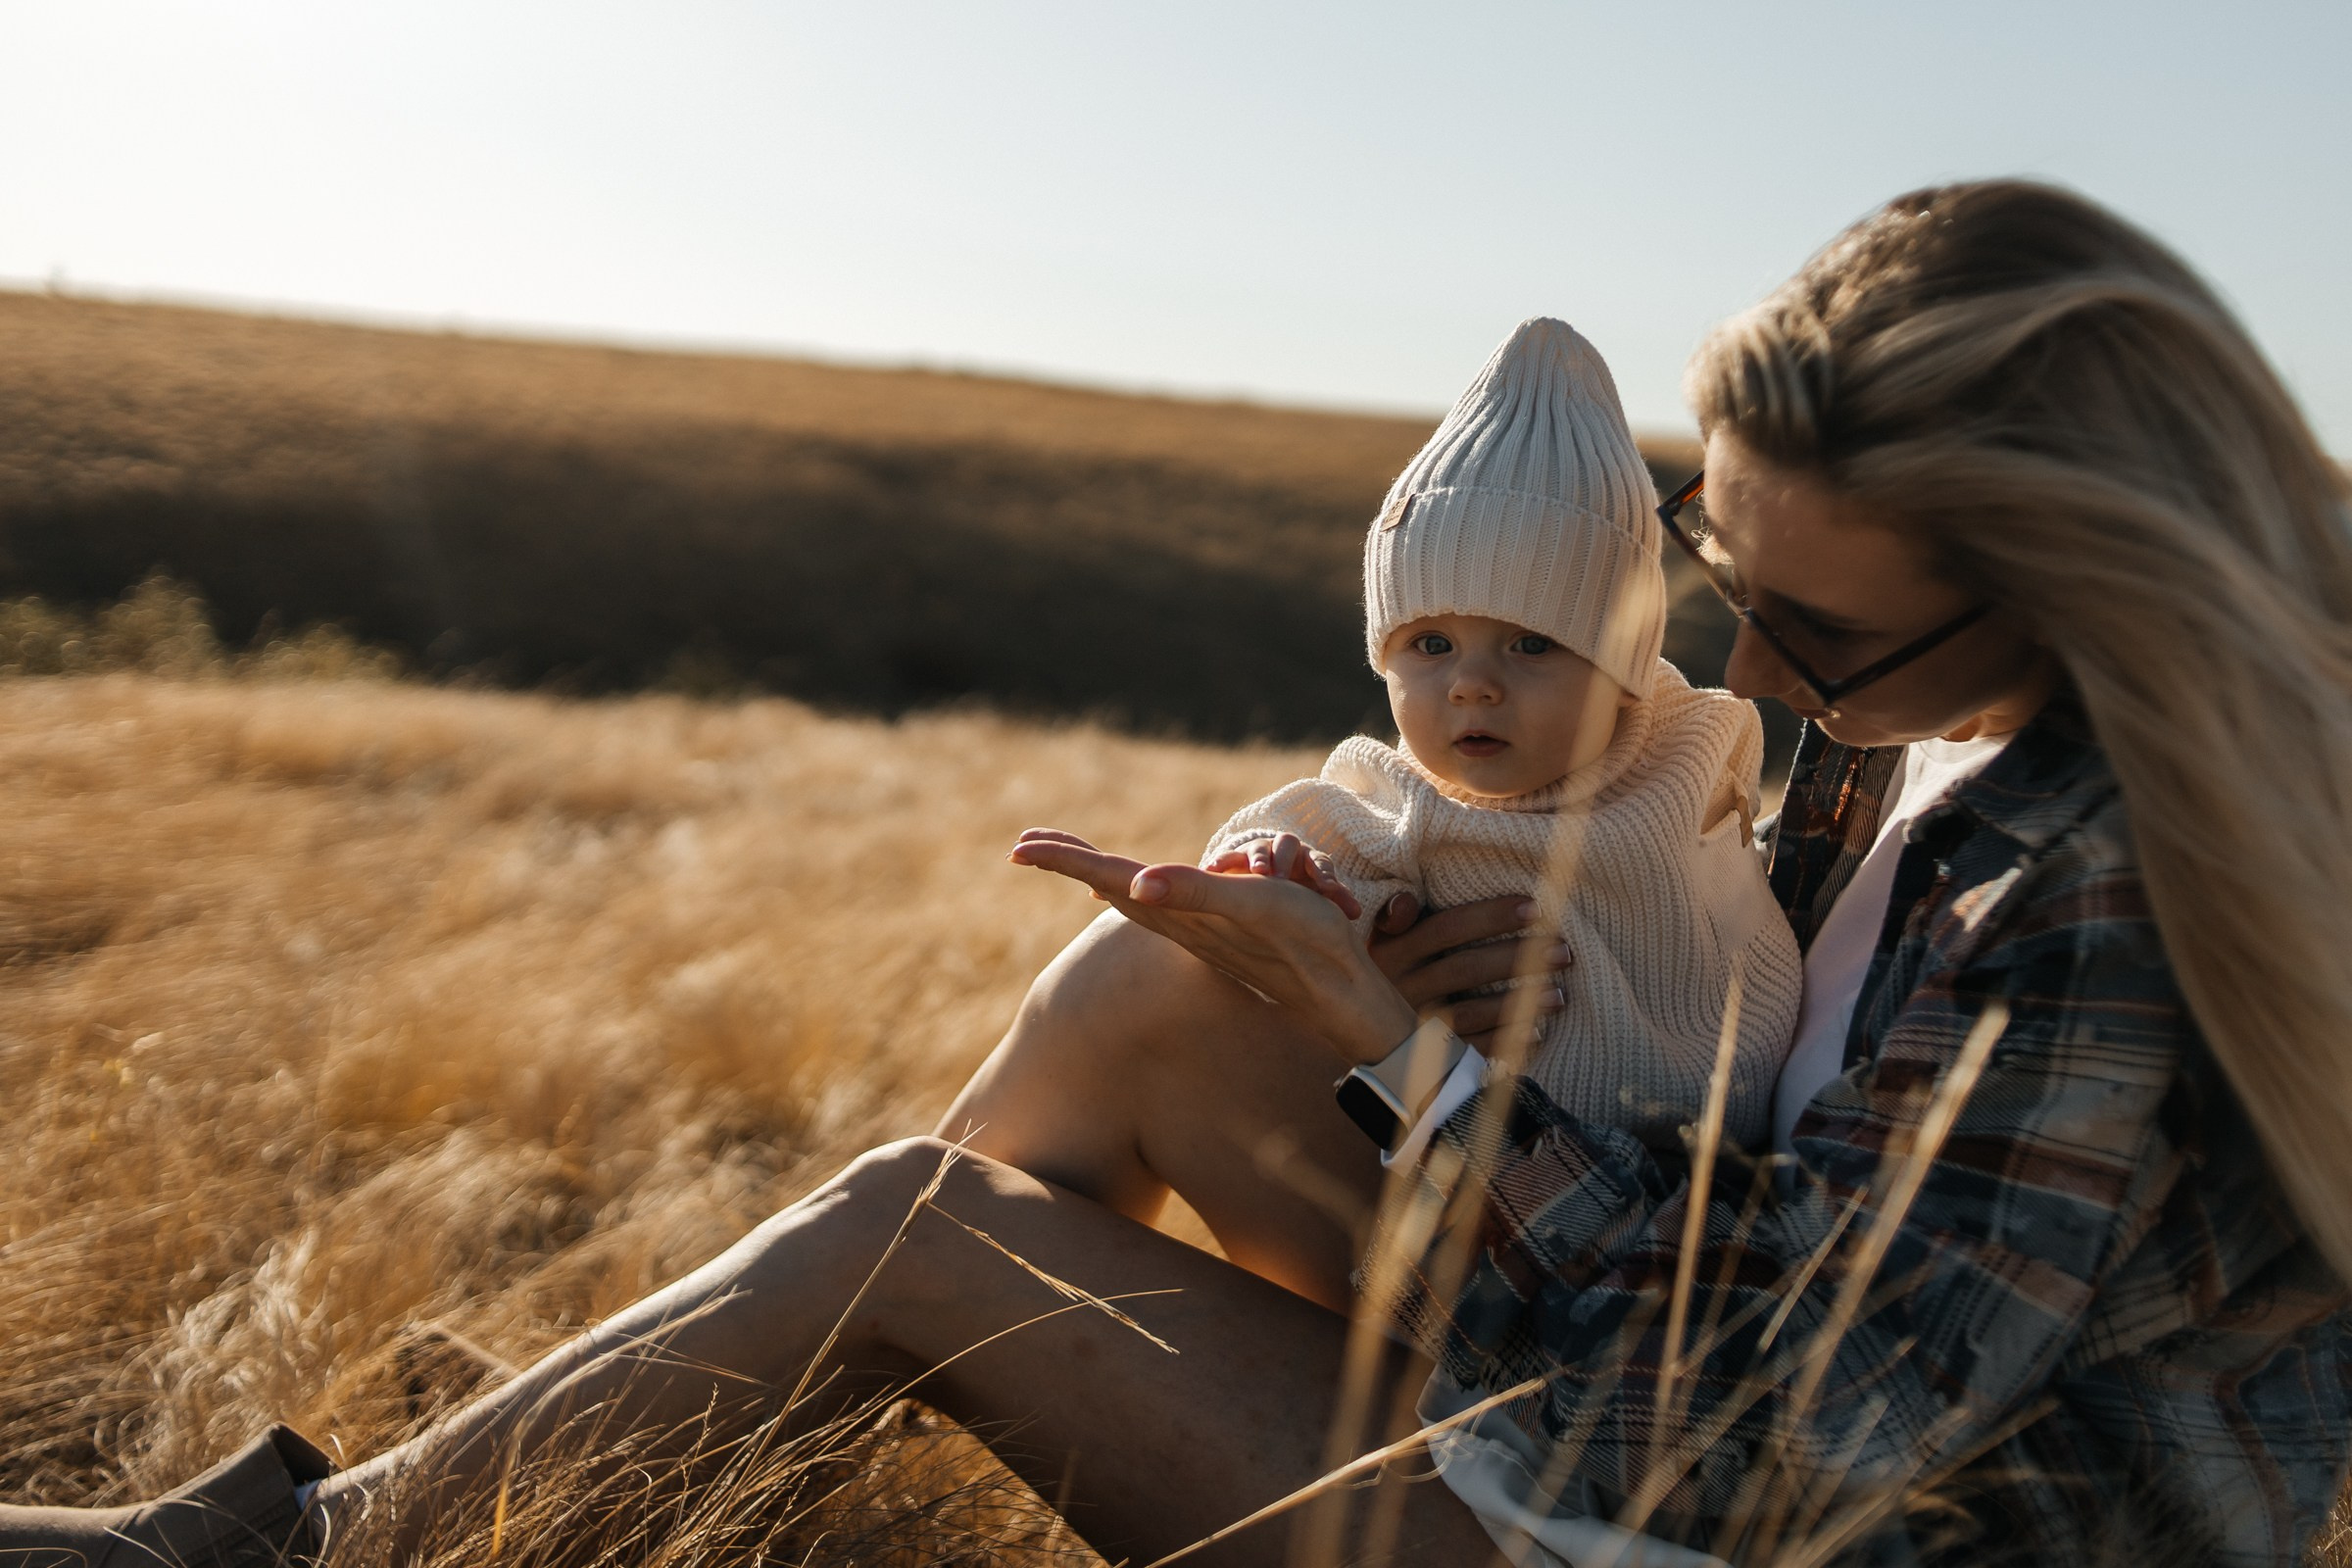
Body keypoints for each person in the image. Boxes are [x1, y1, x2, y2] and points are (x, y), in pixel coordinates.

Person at [7, 179, 2349, 1568]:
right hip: (1640, 1430)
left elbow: (1781, 1436)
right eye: (1720, 572)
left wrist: (1416, 1077)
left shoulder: (2104, 881)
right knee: (1159, 997)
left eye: (1816, 622)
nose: (1752, 660)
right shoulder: (1893, 736)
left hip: (1729, 1526)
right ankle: (632, 1433)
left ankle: (371, 1527)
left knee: (912, 1231)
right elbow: (1765, 1124)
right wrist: (1482, 992)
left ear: (2077, 581)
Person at [1197, 315, 1798, 1162]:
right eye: (1430, 646)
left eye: (1533, 644)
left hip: (1696, 1188)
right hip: (1485, 1190)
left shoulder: (1690, 747)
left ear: (1623, 668)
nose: (1473, 685)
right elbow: (1310, 850)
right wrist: (1278, 867)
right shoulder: (1404, 806)